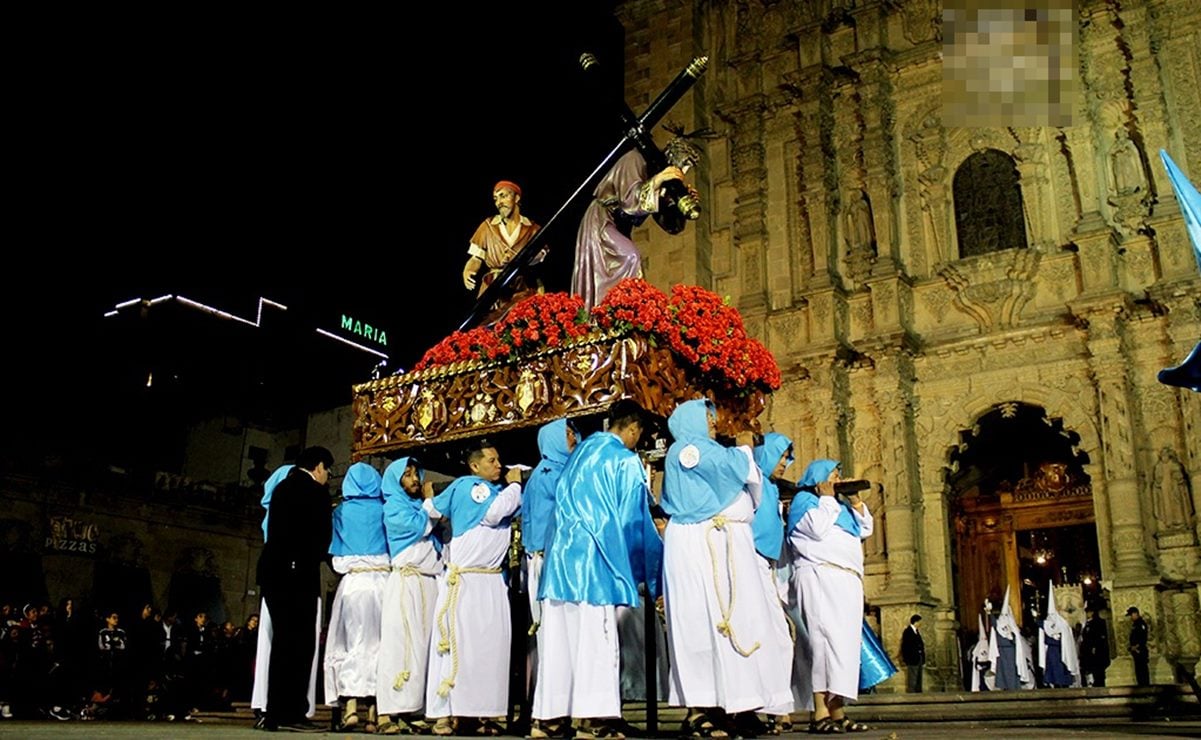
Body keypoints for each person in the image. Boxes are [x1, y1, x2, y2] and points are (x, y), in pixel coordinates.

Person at [661, 398, 793, 738]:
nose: (713, 421)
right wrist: (745, 447)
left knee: (746, 621)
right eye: (707, 415)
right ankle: (703, 708)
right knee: (703, 623)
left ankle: (743, 702)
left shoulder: (708, 449)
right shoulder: (687, 450)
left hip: (730, 542)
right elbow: (739, 469)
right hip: (701, 543)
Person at [532, 400, 662, 739]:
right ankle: (595, 720)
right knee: (596, 641)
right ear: (633, 429)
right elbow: (634, 521)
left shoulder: (579, 454)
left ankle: (549, 720)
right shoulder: (624, 460)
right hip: (596, 565)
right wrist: (649, 571)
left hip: (559, 562)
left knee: (559, 644)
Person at [423, 442, 523, 736]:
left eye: (499, 459)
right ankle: (445, 713)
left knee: (486, 651)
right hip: (467, 583)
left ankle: (476, 713)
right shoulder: (472, 486)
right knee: (457, 646)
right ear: (474, 466)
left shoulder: (482, 490)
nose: (498, 465)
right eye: (491, 460)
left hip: (489, 580)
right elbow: (494, 514)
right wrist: (515, 486)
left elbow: (432, 507)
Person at [788, 459, 874, 733]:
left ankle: (837, 710)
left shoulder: (841, 506)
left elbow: (866, 529)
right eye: (834, 474)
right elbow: (816, 529)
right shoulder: (805, 501)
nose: (838, 477)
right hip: (819, 577)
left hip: (846, 581)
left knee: (843, 648)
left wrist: (856, 503)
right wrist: (825, 498)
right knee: (822, 644)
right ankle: (819, 712)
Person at [255, 446, 335, 733]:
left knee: (282, 644)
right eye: (328, 470)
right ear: (318, 467)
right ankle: (290, 712)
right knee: (299, 646)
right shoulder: (314, 492)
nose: (327, 476)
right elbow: (320, 538)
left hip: (273, 574)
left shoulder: (282, 488)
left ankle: (274, 712)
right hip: (297, 576)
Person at [571, 138, 701, 310]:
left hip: (620, 227)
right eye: (683, 165)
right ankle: (607, 311)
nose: (683, 172)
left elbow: (670, 224)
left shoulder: (659, 175)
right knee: (629, 256)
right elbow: (629, 201)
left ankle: (621, 312)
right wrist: (657, 180)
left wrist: (678, 205)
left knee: (630, 261)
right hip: (602, 220)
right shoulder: (635, 159)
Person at [376, 457, 441, 735]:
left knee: (424, 648)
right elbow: (418, 527)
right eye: (407, 475)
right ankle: (388, 711)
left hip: (428, 583)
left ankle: (413, 708)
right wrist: (430, 503)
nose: (414, 479)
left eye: (416, 473)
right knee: (400, 646)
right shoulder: (393, 507)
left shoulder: (418, 507)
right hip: (406, 582)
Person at [324, 462, 389, 732]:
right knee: (380, 645)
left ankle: (350, 706)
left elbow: (332, 551)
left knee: (352, 644)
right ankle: (375, 712)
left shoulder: (340, 512)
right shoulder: (385, 509)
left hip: (353, 581)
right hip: (384, 582)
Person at [751, 432, 798, 734]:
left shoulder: (769, 488)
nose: (783, 464)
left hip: (767, 566)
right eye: (780, 458)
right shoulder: (753, 483)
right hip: (750, 562)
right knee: (764, 637)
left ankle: (776, 704)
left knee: (780, 637)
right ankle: (769, 706)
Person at [462, 180, 543, 323]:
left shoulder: (532, 228)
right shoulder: (487, 227)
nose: (499, 202)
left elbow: (540, 256)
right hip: (494, 290)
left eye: (503, 196)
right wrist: (468, 271)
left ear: (516, 198)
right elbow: (476, 257)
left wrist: (521, 260)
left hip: (522, 288)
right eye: (496, 198)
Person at [987, 587, 1033, 690]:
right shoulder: (998, 623)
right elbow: (994, 624)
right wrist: (989, 612)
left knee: (1012, 668)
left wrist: (1011, 636)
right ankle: (1004, 686)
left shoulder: (1012, 625)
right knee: (1003, 669)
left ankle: (1014, 685)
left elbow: (1016, 637)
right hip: (1001, 650)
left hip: (1010, 650)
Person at [1038, 583, 1078, 688]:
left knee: (1062, 666)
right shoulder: (1045, 624)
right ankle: (1055, 682)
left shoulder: (1063, 624)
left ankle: (1064, 682)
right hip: (1052, 650)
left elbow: (1067, 638)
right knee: (1053, 667)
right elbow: (1043, 638)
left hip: (1062, 650)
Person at [1079, 602, 1110, 687]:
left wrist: (1095, 647)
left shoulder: (1098, 623)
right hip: (1088, 652)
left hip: (1097, 652)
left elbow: (1099, 638)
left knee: (1098, 671)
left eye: (1088, 612)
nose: (1087, 614)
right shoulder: (1088, 624)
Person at [901, 614, 926, 693]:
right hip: (912, 658)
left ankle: (918, 692)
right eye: (919, 622)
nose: (921, 624)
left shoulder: (916, 631)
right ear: (916, 622)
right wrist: (906, 658)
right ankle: (912, 692)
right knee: (912, 677)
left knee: (919, 676)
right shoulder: (908, 632)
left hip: (919, 657)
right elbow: (905, 646)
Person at [1127, 606, 1150, 686]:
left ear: (1135, 614)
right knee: (1139, 669)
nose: (1130, 617)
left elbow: (1143, 637)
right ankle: (1141, 685)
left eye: (1131, 615)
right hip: (1136, 651)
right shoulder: (1135, 624)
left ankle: (1145, 686)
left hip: (1140, 650)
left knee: (1142, 669)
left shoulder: (1141, 624)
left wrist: (1136, 646)